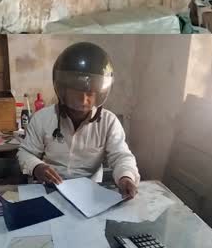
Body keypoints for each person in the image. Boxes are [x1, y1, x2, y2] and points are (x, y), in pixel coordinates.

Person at [17, 42, 140, 199]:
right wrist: (36, 167)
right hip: (51, 190)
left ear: (100, 92)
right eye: (77, 92)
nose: (83, 100)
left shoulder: (109, 122)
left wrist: (125, 177)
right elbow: (25, 152)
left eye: (90, 93)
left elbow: (121, 156)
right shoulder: (42, 118)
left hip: (90, 194)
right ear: (63, 89)